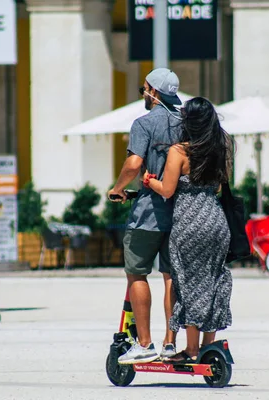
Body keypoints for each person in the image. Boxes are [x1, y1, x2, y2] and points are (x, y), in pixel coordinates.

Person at [144, 97, 234, 363]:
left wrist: (150, 182)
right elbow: (219, 186)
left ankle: (192, 349)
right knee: (213, 279)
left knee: (188, 282)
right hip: (216, 220)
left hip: (189, 221)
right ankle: (209, 345)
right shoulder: (221, 147)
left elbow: (168, 189)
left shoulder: (179, 151)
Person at [108, 68, 183, 364]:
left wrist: (117, 189)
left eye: (144, 90)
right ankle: (169, 342)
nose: (144, 94)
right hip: (180, 213)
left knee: (137, 273)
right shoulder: (185, 123)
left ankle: (145, 343)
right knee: (170, 276)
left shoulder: (144, 123)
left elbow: (134, 163)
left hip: (148, 214)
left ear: (152, 91)